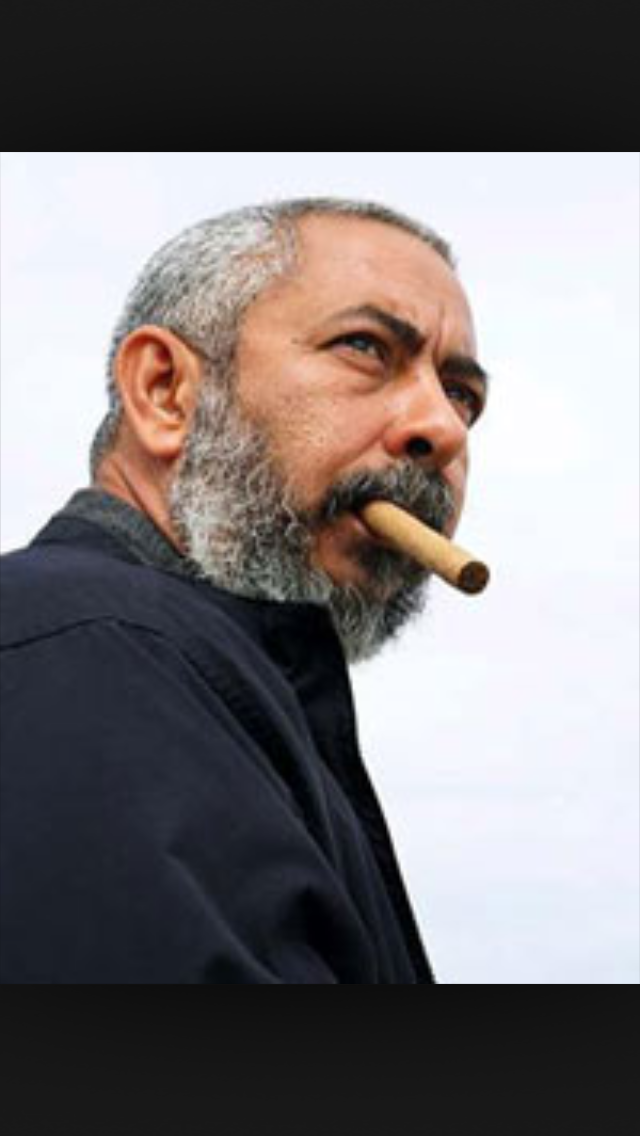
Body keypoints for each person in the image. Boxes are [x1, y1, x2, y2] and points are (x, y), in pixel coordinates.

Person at [0, 199, 489, 984]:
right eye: (365, 348)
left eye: (462, 393)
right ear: (165, 390)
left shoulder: (190, 680)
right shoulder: (85, 652)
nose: (444, 428)